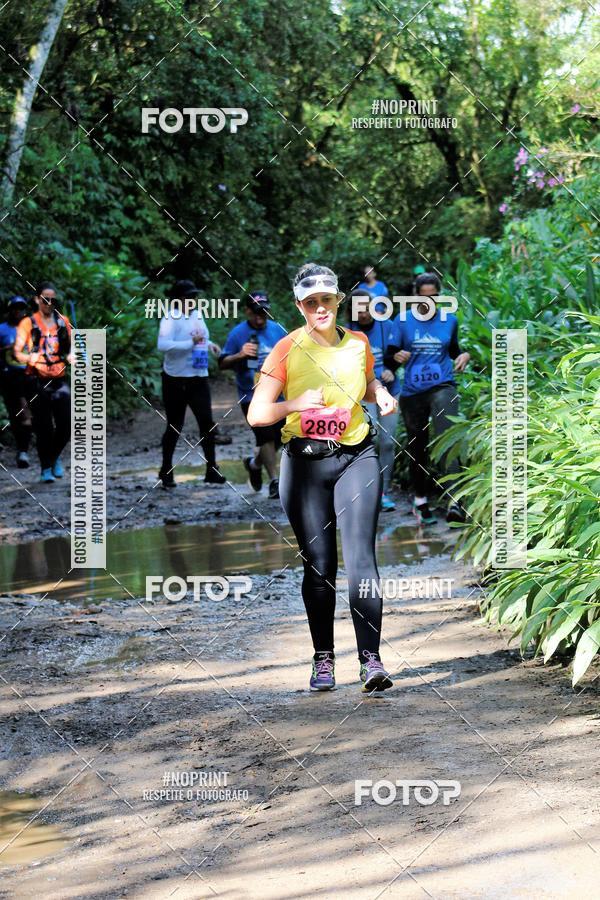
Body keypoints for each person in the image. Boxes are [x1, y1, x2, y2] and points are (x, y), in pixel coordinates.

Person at [248, 263, 397, 693]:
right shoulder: (285, 349)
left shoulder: (358, 343)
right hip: (304, 463)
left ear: (338, 301)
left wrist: (381, 393)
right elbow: (257, 414)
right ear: (299, 305)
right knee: (320, 566)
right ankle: (324, 659)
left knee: (362, 559)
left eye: (326, 301)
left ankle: (371, 660)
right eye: (310, 302)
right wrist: (295, 403)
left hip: (357, 456)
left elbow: (366, 384)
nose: (319, 309)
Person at [386, 272, 470, 525]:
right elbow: (390, 357)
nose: (428, 302)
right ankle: (421, 499)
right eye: (423, 297)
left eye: (433, 296)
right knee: (417, 445)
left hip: (443, 385)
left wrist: (464, 355)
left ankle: (456, 501)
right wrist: (395, 358)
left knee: (449, 437)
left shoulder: (449, 321)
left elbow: (454, 349)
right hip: (413, 392)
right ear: (414, 297)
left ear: (439, 296)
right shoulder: (401, 321)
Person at [157, 279, 226, 488]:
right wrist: (190, 344)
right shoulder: (170, 318)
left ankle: (212, 469)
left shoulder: (197, 315)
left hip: (198, 377)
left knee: (207, 423)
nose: (193, 300)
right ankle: (166, 470)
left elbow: (202, 338)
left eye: (194, 297)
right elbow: (162, 345)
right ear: (178, 300)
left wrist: (211, 346)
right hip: (175, 379)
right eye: (189, 297)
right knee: (174, 425)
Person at [219, 293, 287, 499]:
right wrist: (239, 355)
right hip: (252, 396)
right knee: (265, 437)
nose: (261, 317)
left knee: (280, 438)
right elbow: (222, 363)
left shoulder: (277, 330)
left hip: (279, 395)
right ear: (247, 311)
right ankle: (275, 482)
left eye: (264, 312)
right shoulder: (238, 333)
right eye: (257, 312)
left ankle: (254, 464)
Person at [13, 283, 72, 483]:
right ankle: (46, 468)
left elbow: (73, 348)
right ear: (38, 299)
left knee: (66, 424)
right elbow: (17, 352)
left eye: (52, 299)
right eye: (45, 299)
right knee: (44, 427)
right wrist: (29, 358)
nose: (49, 303)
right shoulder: (28, 323)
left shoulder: (63, 321)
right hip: (36, 379)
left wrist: (74, 357)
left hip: (59, 378)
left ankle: (53, 457)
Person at [348, 288, 401, 511]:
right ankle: (366, 490)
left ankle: (384, 492)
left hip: (390, 390)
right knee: (369, 441)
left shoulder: (388, 326)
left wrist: (391, 367)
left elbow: (399, 353)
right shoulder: (346, 333)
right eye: (358, 309)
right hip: (363, 393)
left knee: (387, 442)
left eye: (366, 307)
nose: (363, 313)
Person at [0, 296, 32, 468]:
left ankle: (25, 450)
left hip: (30, 376)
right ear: (10, 310)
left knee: (28, 414)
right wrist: (8, 349)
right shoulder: (2, 330)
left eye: (21, 308)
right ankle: (23, 451)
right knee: (17, 414)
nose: (18, 311)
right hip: (9, 377)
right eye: (15, 308)